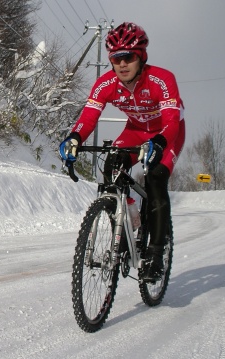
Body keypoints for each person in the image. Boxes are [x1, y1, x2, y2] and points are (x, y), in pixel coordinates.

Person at [59, 22, 185, 282]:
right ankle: (128, 216)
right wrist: (74, 137)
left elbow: (173, 119)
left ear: (141, 57)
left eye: (128, 57)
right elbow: (89, 116)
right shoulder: (105, 84)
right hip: (136, 131)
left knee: (155, 179)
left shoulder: (162, 79)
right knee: (112, 165)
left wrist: (159, 142)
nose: (122, 64)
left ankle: (156, 253)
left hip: (167, 133)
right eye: (116, 58)